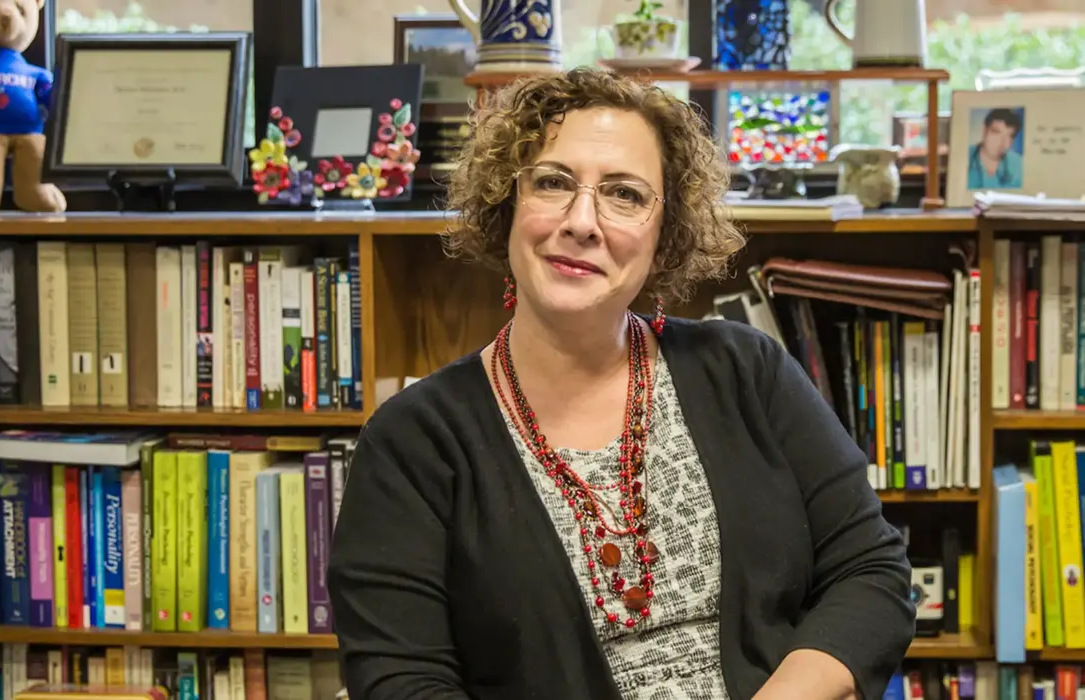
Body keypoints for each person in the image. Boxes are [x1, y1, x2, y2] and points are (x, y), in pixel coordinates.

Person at [327, 68, 915, 700]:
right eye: (553, 183)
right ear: (507, 205)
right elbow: (399, 680)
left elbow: (871, 570)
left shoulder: (748, 371)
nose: (583, 221)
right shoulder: (413, 441)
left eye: (625, 195)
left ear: (666, 237)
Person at [967, 107, 1024, 190]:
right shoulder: (965, 156)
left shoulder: (1019, 165)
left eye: (1010, 136)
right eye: (996, 132)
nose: (1002, 143)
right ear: (984, 130)